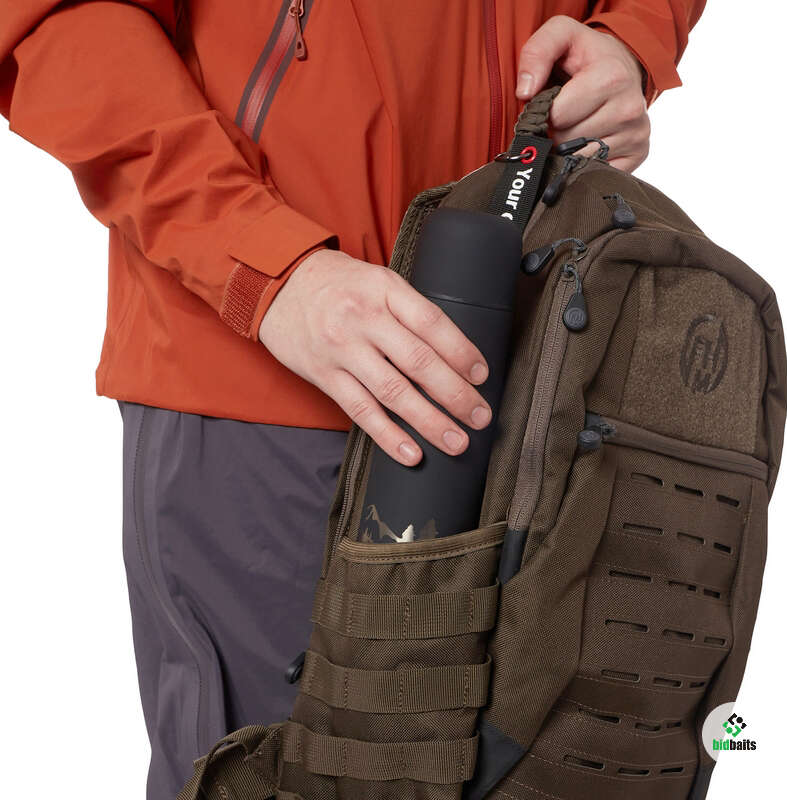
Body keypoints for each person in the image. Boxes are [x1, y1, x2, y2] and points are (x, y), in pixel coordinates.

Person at [0, 2, 705, 797]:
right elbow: (57, 19)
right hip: (277, 378)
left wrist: (629, 37)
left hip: (545, 347)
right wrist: (263, 262)